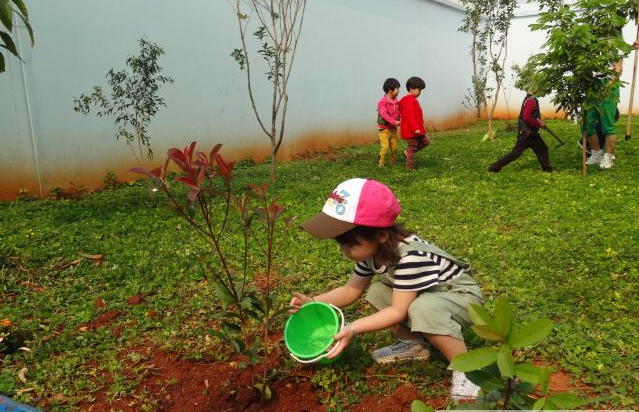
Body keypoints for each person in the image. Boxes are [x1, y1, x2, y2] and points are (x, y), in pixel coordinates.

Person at [290, 178, 484, 401]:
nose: (344, 250)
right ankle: (413, 344)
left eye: (350, 243)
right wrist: (313, 300)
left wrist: (352, 328)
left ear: (381, 235)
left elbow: (397, 312)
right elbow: (350, 291)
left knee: (423, 308)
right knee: (377, 291)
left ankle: (467, 369)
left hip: (461, 297)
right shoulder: (372, 253)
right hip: (432, 294)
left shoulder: (411, 257)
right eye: (340, 243)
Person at [487, 88, 553, 173]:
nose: (539, 90)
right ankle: (494, 167)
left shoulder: (530, 99)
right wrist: (539, 124)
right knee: (515, 153)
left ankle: (547, 169)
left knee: (542, 149)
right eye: (537, 87)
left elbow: (532, 116)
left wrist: (539, 122)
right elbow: (527, 117)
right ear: (533, 89)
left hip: (530, 133)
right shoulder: (531, 101)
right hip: (528, 133)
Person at [583, 60, 622, 169]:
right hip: (593, 86)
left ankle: (608, 158)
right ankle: (597, 155)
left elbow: (618, 70)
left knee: (607, 126)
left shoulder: (614, 45)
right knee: (587, 125)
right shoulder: (591, 45)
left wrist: (607, 87)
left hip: (609, 85)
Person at [399, 77, 430, 170]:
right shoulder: (409, 100)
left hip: (417, 129)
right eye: (419, 90)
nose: (420, 92)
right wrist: (415, 128)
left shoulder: (411, 99)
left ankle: (407, 152)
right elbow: (410, 115)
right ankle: (410, 167)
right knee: (412, 148)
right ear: (412, 88)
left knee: (426, 141)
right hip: (412, 130)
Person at [377, 78, 401, 167]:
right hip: (383, 129)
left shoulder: (397, 102)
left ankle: (393, 163)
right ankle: (380, 164)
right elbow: (384, 114)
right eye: (397, 88)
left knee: (394, 148)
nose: (399, 90)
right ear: (390, 90)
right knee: (385, 147)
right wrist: (394, 122)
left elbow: (400, 112)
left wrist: (401, 119)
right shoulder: (382, 102)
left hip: (393, 129)